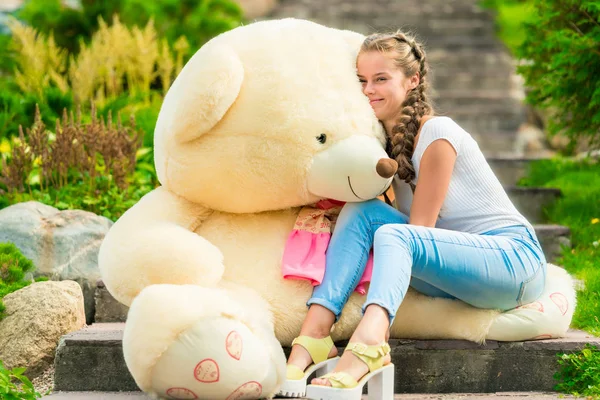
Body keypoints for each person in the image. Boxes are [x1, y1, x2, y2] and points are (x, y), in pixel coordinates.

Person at [278, 30, 547, 400]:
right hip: (459, 269)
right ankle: (313, 336)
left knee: (393, 234)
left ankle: (370, 342)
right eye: (362, 81)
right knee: (361, 212)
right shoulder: (382, 147)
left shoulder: (437, 133)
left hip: (512, 261)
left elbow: (419, 232)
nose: (368, 89)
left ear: (413, 80)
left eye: (381, 79)